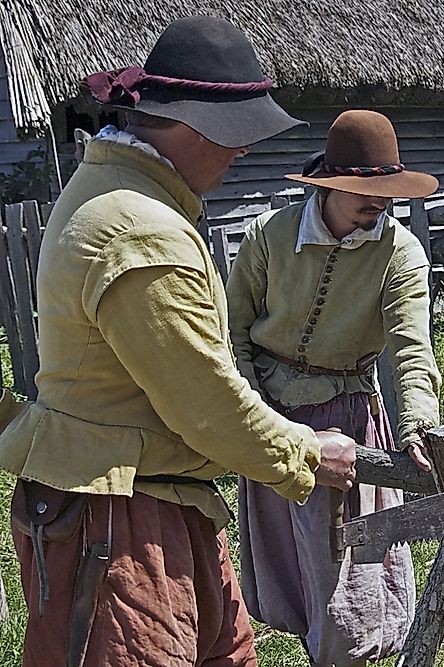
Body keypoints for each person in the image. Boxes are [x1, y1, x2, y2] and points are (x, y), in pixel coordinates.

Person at [0, 17, 358, 666]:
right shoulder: (138, 229)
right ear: (196, 129)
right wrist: (306, 452)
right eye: (237, 136)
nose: (243, 151)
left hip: (149, 501)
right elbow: (205, 402)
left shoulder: (116, 197)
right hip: (122, 521)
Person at [226, 109, 441, 666]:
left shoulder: (401, 252)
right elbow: (234, 332)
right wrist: (252, 414)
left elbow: (412, 346)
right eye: (364, 189)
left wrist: (418, 421)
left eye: (387, 191)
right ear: (329, 185)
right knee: (291, 569)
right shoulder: (269, 236)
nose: (379, 202)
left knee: (348, 579)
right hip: (272, 415)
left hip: (345, 421)